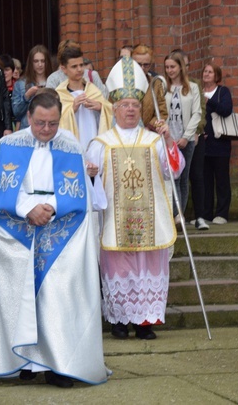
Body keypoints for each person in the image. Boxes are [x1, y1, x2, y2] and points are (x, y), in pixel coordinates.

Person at [0, 90, 107, 388]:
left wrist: (51, 207)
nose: (46, 130)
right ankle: (24, 361)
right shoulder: (9, 144)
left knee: (57, 296)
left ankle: (58, 364)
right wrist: (28, 209)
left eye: (52, 123)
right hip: (19, 228)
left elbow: (77, 192)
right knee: (20, 295)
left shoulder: (69, 145)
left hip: (59, 228)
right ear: (28, 117)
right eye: (40, 123)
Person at [86, 57, 184, 341]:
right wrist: (90, 174)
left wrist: (168, 140)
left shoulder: (154, 141)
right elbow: (88, 181)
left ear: (140, 108)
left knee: (147, 269)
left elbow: (173, 171)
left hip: (150, 218)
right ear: (114, 109)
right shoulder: (100, 144)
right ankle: (119, 320)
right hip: (115, 220)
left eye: (134, 105)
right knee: (119, 270)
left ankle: (145, 321)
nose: (130, 110)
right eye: (124, 105)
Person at [164, 51, 201, 225]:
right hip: (168, 138)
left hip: (186, 139)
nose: (170, 70)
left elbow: (197, 113)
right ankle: (174, 214)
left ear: (180, 67)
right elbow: (160, 112)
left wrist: (187, 137)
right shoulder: (164, 87)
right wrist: (166, 136)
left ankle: (180, 215)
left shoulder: (192, 87)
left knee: (183, 177)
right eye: (167, 67)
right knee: (172, 177)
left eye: (173, 67)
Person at [55, 46, 112, 150]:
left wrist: (101, 107)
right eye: (74, 66)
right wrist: (71, 109)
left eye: (81, 65)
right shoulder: (59, 94)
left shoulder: (92, 90)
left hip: (93, 136)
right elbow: (54, 120)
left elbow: (111, 111)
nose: (80, 69)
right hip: (72, 144)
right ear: (64, 69)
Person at [202, 62, 233, 225]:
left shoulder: (222, 91)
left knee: (221, 180)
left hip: (220, 144)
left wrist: (210, 102)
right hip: (203, 145)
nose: (206, 74)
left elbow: (226, 110)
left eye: (210, 72)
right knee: (205, 181)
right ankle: (206, 214)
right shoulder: (198, 92)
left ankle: (222, 213)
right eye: (205, 72)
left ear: (217, 76)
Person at [12, 45, 52, 130]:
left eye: (43, 61)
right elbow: (16, 112)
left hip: (50, 128)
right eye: (36, 61)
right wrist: (27, 96)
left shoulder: (53, 81)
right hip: (28, 129)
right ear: (31, 63)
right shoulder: (20, 83)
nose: (40, 64)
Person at [132, 44, 168, 131]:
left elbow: (162, 112)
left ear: (151, 64)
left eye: (146, 65)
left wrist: (149, 127)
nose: (142, 68)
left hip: (149, 134)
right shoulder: (121, 83)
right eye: (138, 64)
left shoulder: (155, 84)